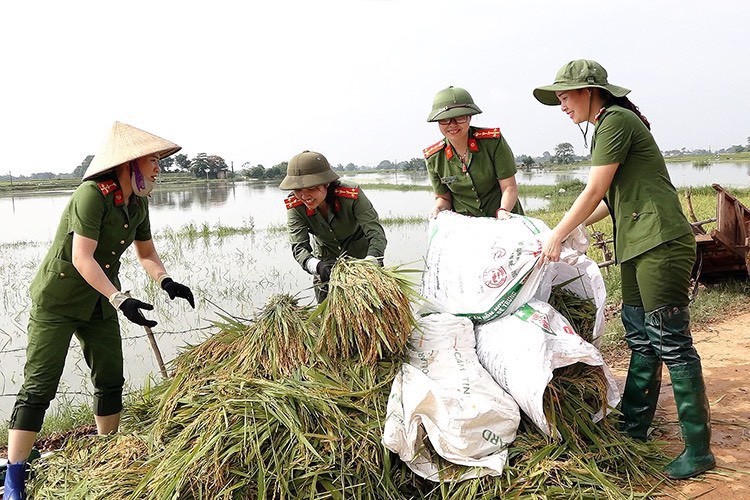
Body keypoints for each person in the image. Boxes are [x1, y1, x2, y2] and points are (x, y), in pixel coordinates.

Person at [533, 59, 715, 479]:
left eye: (565, 96)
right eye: (558, 98)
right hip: (637, 245)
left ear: (592, 91)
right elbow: (607, 200)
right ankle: (634, 427)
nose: (562, 105)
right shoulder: (608, 126)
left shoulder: (614, 121)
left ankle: (699, 449)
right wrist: (565, 225)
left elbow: (594, 187)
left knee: (671, 340)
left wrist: (558, 235)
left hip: (661, 242)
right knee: (639, 335)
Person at [3, 122, 195, 499]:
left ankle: (107, 450)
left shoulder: (138, 203)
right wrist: (120, 299)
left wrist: (166, 281)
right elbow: (82, 258)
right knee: (39, 386)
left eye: (158, 161)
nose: (159, 168)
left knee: (110, 379)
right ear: (129, 164)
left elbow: (146, 253)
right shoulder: (92, 194)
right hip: (58, 301)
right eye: (153, 161)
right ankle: (14, 475)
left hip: (98, 301)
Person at [280, 150, 387, 302]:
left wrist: (370, 263)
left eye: (312, 188)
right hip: (326, 261)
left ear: (326, 183)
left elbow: (376, 235)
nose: (305, 196)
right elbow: (299, 247)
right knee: (328, 317)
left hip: (362, 257)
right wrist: (317, 266)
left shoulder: (351, 195)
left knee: (374, 312)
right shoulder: (295, 206)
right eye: (298, 190)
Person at [424, 86, 524, 220]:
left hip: (504, 218)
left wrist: (503, 210)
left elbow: (509, 187)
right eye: (445, 120)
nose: (452, 124)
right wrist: (437, 209)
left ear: (470, 117)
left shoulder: (493, 142)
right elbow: (444, 198)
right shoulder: (434, 157)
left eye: (459, 118)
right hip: (467, 228)